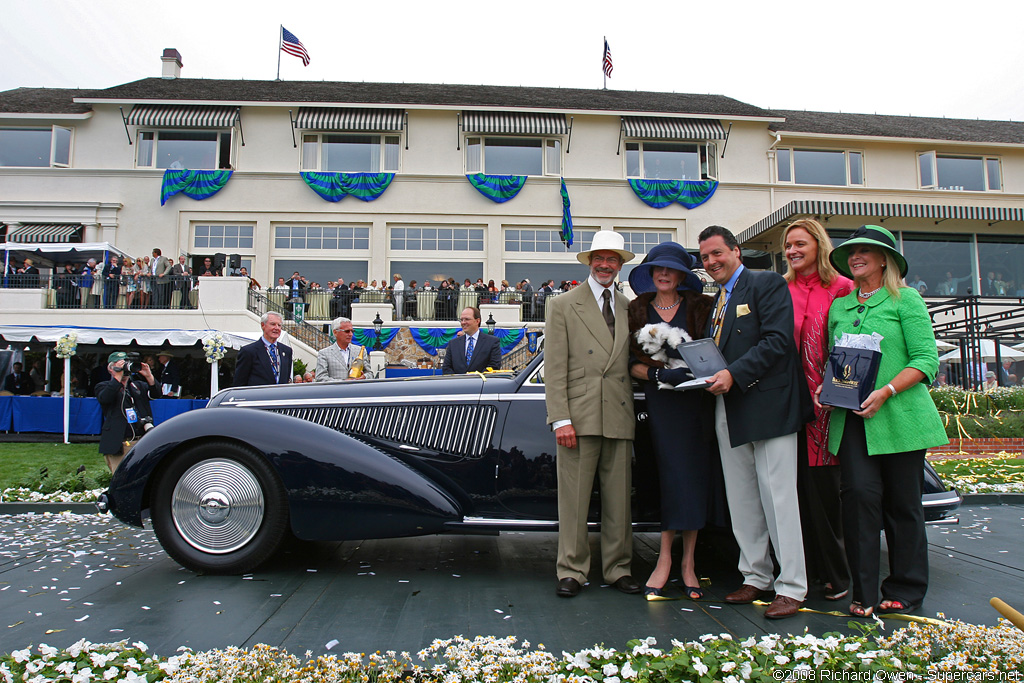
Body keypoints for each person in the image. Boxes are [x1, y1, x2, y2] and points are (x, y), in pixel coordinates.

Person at [817, 224, 948, 618]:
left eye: (865, 252)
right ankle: (864, 592)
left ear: (884, 259)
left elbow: (926, 360)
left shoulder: (906, 300)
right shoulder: (840, 305)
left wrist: (886, 391)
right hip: (852, 420)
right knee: (858, 501)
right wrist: (828, 390)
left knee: (903, 506)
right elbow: (834, 358)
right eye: (852, 252)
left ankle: (905, 591)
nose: (856, 256)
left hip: (900, 419)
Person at [698, 225, 810, 620]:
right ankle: (755, 575)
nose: (711, 262)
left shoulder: (766, 284)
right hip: (727, 406)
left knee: (779, 498)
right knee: (742, 498)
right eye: (705, 258)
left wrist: (734, 374)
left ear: (736, 251)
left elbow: (779, 341)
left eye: (716, 254)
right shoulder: (715, 303)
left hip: (769, 405)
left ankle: (792, 586)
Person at [545, 230, 640, 598]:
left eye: (612, 259)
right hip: (579, 416)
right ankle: (572, 569)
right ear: (589, 262)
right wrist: (561, 418)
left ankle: (618, 569)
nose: (605, 265)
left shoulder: (627, 305)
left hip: (617, 412)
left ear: (619, 265)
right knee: (574, 500)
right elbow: (554, 368)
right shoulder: (563, 304)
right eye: (599, 258)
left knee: (619, 500)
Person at [625, 242, 716, 600]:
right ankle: (663, 559)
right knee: (667, 477)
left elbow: (714, 353)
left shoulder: (701, 306)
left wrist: (694, 372)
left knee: (694, 477)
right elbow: (627, 363)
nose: (662, 274)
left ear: (682, 275)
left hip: (697, 403)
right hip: (660, 403)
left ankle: (688, 563)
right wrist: (657, 375)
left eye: (670, 269)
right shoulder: (636, 309)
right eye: (657, 269)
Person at [782, 218, 854, 602]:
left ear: (819, 245)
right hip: (790, 405)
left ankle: (836, 575)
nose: (793, 251)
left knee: (827, 494)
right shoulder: (782, 290)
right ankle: (801, 573)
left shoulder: (844, 289)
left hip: (832, 407)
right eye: (788, 246)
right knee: (793, 492)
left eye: (800, 244)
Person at [95, 351, 159, 473]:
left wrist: (149, 376)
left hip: (142, 440)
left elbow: (156, 394)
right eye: (120, 364)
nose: (124, 368)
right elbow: (105, 398)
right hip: (120, 442)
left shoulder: (137, 385)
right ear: (110, 368)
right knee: (121, 477)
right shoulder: (103, 386)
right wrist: (117, 376)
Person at [233, 311, 293, 386]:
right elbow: (239, 382)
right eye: (273, 324)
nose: (276, 328)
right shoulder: (249, 351)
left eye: (279, 325)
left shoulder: (286, 351)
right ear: (263, 325)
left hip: (280, 396)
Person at [441, 307, 502, 374]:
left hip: (481, 383)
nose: (463, 322)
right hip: (457, 383)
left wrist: (474, 380)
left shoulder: (491, 342)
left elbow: (494, 367)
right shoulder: (453, 344)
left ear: (477, 321)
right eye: (461, 320)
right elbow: (446, 368)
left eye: (467, 319)